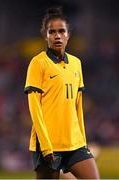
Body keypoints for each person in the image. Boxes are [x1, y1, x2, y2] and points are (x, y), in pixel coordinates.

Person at [24, 7, 100, 179]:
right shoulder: (38, 63)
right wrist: (45, 147)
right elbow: (34, 108)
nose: (57, 36)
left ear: (68, 35)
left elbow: (78, 106)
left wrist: (83, 141)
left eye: (61, 31)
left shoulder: (76, 63)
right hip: (48, 144)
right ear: (46, 36)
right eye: (52, 32)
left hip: (75, 143)